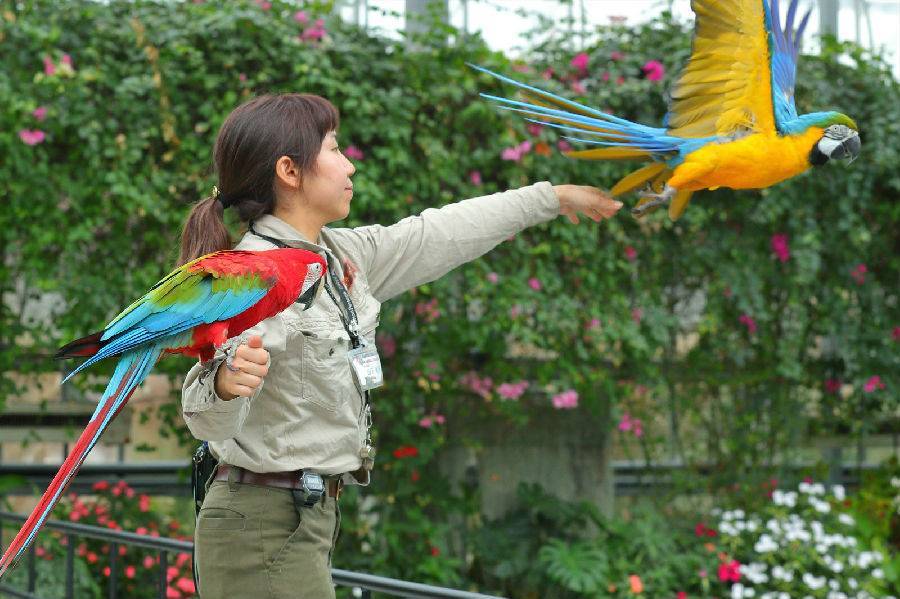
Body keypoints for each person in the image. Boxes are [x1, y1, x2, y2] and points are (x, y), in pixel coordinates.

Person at [180, 92, 621, 598]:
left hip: (301, 516)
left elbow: (438, 233)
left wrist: (551, 198)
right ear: (289, 171)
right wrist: (226, 382)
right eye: (334, 148)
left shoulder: (339, 255)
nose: (349, 165)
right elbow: (203, 415)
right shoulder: (254, 275)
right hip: (262, 525)